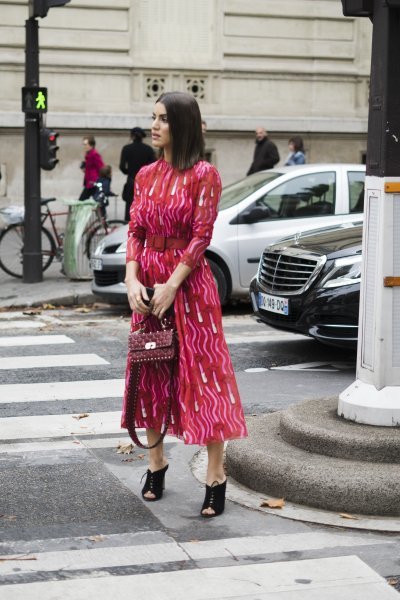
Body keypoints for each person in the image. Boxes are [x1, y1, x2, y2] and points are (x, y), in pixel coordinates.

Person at [121, 91, 248, 518]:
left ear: (183, 124)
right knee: (151, 369)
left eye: (163, 119)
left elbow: (200, 236)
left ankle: (215, 475)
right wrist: (131, 276)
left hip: (189, 288)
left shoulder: (204, 174)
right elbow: (135, 230)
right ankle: (156, 463)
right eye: (153, 118)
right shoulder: (145, 175)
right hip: (148, 288)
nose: (154, 126)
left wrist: (173, 284)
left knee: (205, 378)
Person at [119, 127, 156, 222]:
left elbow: (122, 167)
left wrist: (129, 172)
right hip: (145, 183)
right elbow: (153, 167)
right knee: (144, 207)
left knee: (129, 208)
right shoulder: (148, 149)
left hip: (131, 181)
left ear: (132, 136)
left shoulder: (126, 148)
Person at [79, 135, 104, 200]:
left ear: (91, 145)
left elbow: (101, 167)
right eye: (83, 144)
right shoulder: (88, 154)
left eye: (85, 144)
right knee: (98, 203)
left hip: (93, 183)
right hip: (90, 182)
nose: (84, 146)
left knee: (81, 201)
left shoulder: (94, 154)